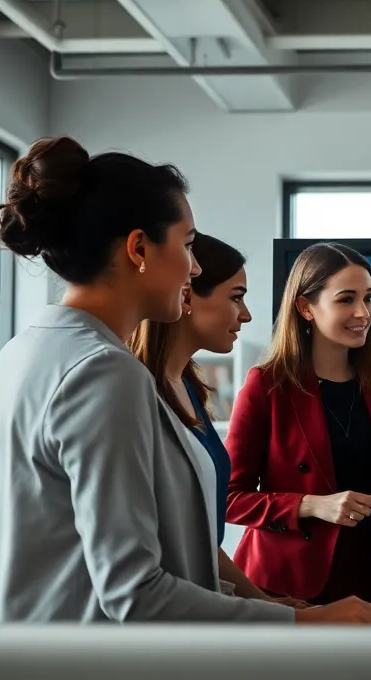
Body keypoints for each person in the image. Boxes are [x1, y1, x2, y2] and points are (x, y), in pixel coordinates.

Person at [0, 136, 371, 628]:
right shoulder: (103, 371)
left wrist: (260, 604)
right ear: (139, 248)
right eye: (188, 246)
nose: (197, 266)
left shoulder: (23, 351)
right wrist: (306, 623)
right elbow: (136, 596)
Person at [225, 242, 371, 622]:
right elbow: (229, 498)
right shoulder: (266, 386)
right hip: (286, 593)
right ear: (305, 307)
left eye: (369, 298)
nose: (363, 313)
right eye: (346, 299)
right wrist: (313, 504)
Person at [128, 233, 308, 610]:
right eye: (236, 297)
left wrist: (271, 605)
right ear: (189, 295)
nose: (246, 315)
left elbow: (205, 543)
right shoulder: (135, 394)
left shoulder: (191, 389)